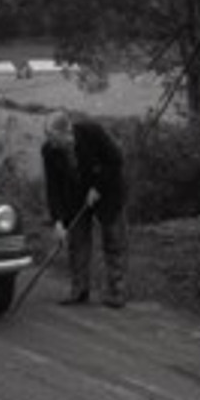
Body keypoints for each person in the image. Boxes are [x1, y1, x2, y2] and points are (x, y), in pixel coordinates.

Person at [41, 110, 129, 308]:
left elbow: (116, 160)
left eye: (53, 138)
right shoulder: (49, 151)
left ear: (67, 132)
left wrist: (98, 187)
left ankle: (117, 291)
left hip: (108, 193)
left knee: (114, 241)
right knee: (77, 243)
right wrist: (58, 221)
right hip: (75, 197)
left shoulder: (93, 133)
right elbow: (53, 188)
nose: (51, 143)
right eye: (48, 138)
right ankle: (79, 290)